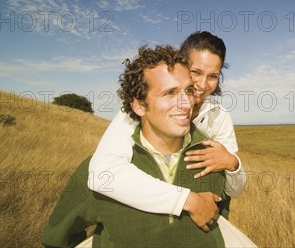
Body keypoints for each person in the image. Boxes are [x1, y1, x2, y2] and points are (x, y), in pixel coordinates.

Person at [42, 45, 228, 247]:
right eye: (170, 93)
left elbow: (218, 229)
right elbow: (57, 238)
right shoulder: (96, 170)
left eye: (188, 90)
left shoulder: (212, 163)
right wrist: (187, 200)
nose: (186, 103)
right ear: (138, 105)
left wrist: (233, 164)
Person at [87, 32, 246, 231]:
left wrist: (232, 164)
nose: (203, 85)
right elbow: (102, 173)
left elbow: (235, 190)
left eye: (213, 76)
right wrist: (187, 200)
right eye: (195, 72)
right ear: (179, 65)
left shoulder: (219, 116)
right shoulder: (144, 106)